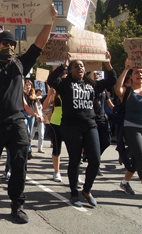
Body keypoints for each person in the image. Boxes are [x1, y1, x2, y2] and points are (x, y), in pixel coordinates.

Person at [0, 4, 57, 224]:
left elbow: (39, 44)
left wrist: (50, 20)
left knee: (19, 163)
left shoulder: (20, 64)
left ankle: (17, 204)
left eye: (11, 44)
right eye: (5, 43)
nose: (9, 46)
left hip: (17, 123)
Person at [47, 52, 117, 208]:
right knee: (75, 160)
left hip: (90, 125)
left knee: (96, 160)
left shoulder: (91, 84)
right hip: (71, 127)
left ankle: (87, 190)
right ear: (71, 70)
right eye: (76, 66)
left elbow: (112, 80)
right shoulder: (64, 84)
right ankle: (74, 193)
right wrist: (63, 65)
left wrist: (108, 63)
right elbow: (51, 80)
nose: (80, 67)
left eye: (82, 66)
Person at [114, 59, 142, 192]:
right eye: (137, 72)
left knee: (136, 159)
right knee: (141, 155)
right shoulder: (128, 91)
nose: (140, 74)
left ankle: (125, 182)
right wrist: (125, 69)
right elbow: (117, 88)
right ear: (131, 76)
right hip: (131, 126)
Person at [31, 89, 46, 153]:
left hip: (40, 119)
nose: (40, 94)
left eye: (41, 93)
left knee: (41, 134)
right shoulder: (33, 100)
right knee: (31, 134)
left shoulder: (41, 102)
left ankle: (40, 148)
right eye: (38, 93)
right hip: (34, 118)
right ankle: (28, 147)